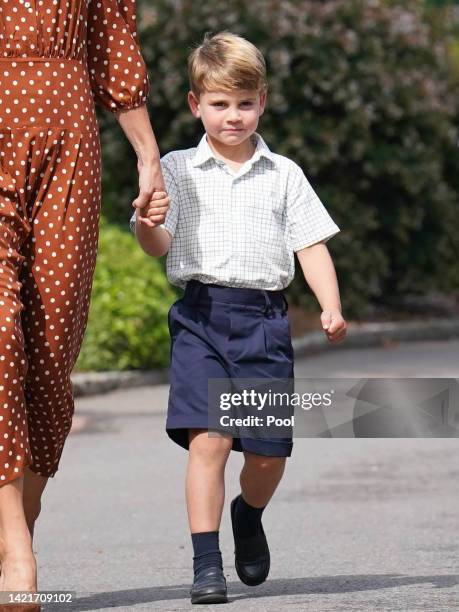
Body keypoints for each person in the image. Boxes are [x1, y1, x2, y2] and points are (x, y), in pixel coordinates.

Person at [131, 31, 347, 605]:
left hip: (264, 324)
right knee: (210, 441)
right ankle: (207, 564)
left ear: (263, 102)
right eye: (220, 104)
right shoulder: (176, 169)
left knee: (268, 454)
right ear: (195, 104)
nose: (233, 116)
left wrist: (330, 303)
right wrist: (145, 221)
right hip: (201, 318)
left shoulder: (284, 173)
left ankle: (248, 514)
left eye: (244, 104)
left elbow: (312, 245)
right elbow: (157, 245)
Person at [0, 0, 168, 599]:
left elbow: (113, 46)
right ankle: (15, 553)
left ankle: (19, 522)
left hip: (69, 140)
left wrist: (149, 156)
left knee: (49, 356)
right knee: (0, 337)